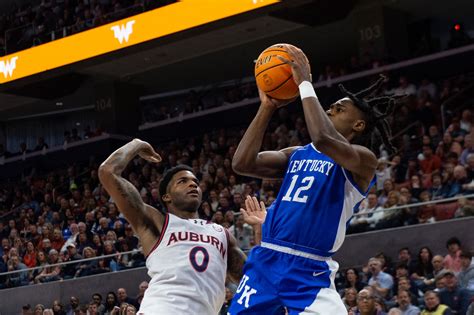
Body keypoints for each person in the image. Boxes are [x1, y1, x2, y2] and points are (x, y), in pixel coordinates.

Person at [230, 44, 399, 314]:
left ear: (358, 125)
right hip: (267, 261)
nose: (330, 110)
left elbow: (323, 138)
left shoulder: (363, 160)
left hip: (309, 272)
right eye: (330, 107)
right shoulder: (298, 153)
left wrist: (306, 85)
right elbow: (242, 163)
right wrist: (266, 108)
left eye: (339, 109)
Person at [98, 139, 249, 314]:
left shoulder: (222, 234)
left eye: (195, 182)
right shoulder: (158, 223)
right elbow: (108, 172)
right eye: (182, 181)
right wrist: (137, 145)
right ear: (167, 197)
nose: (192, 184)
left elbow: (251, 280)